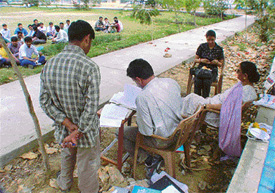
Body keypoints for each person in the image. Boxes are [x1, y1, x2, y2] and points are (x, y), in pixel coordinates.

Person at [40, 20, 101, 193]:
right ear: (86, 39)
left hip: (65, 130)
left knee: (67, 156)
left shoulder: (49, 64)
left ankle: (65, 184)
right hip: (85, 132)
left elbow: (44, 102)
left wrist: (67, 124)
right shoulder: (89, 67)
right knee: (87, 165)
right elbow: (91, 107)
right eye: (90, 42)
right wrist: (79, 130)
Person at [123, 58, 183, 178]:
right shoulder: (171, 82)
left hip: (163, 140)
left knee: (122, 133)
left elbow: (146, 131)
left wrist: (140, 117)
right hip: (179, 133)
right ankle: (152, 158)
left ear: (138, 80)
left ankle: (146, 159)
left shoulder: (143, 97)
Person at [181, 61, 260, 128]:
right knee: (189, 98)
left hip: (214, 114)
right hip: (214, 105)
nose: (236, 72)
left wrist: (206, 106)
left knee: (189, 99)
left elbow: (227, 107)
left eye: (238, 71)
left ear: (245, 76)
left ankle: (178, 122)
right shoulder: (247, 88)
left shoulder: (243, 91)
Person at [193, 30, 224, 98]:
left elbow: (221, 64)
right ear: (206, 38)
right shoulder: (202, 46)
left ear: (215, 38)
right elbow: (195, 59)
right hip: (201, 69)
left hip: (212, 71)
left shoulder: (219, 49)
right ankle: (196, 99)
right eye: (208, 40)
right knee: (198, 81)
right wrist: (201, 60)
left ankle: (205, 100)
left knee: (206, 82)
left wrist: (216, 62)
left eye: (212, 40)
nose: (210, 42)